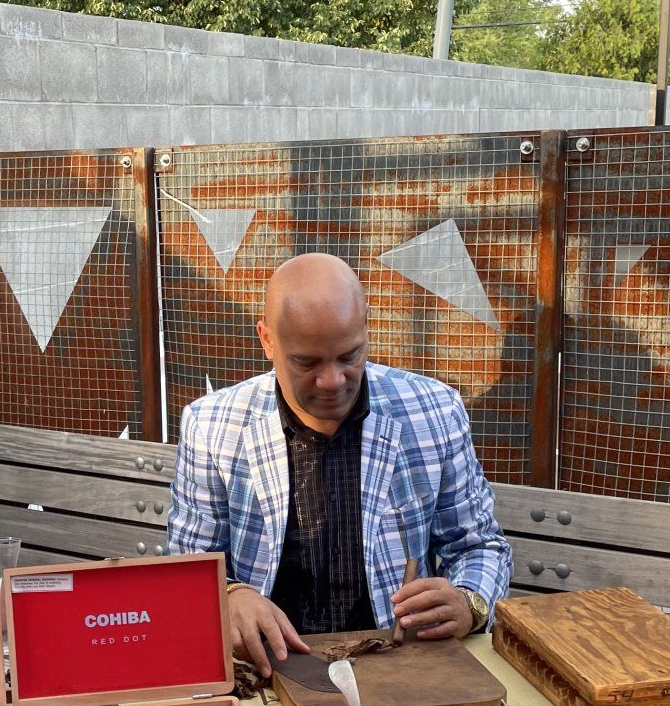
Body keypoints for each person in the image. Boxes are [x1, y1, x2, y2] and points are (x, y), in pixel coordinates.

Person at [167, 253, 512, 676]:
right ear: (267, 339)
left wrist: (469, 602)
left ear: (367, 326)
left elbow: (480, 546)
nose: (332, 380)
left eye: (349, 356)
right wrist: (232, 595)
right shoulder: (212, 425)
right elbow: (189, 567)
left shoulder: (434, 411)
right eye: (306, 362)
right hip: (266, 670)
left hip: (401, 664)